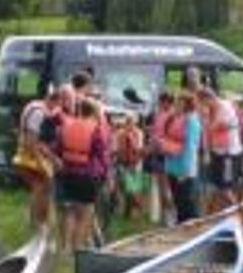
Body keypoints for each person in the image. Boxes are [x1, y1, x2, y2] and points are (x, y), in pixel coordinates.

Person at [55, 98, 108, 252]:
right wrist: (105, 173)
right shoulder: (95, 129)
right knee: (86, 212)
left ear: (79, 110)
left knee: (70, 210)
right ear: (92, 112)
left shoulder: (66, 126)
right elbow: (101, 154)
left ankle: (65, 248)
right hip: (87, 176)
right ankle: (77, 248)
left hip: (67, 174)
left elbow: (58, 149)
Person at [14, 87, 61, 228]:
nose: (55, 110)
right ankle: (38, 223)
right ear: (53, 100)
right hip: (30, 157)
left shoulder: (34, 105)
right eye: (57, 105)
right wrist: (42, 162)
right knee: (42, 188)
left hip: (26, 154)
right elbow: (31, 140)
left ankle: (33, 221)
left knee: (38, 189)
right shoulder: (38, 113)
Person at [199, 86, 243, 216]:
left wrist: (205, 117)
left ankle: (239, 215)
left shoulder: (225, 108)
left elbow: (216, 126)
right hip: (217, 152)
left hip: (229, 153)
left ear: (209, 99)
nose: (201, 106)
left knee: (225, 188)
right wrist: (207, 152)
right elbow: (206, 133)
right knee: (217, 186)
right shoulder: (208, 111)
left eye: (202, 102)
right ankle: (216, 216)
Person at [163, 91, 203, 224]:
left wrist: (186, 171)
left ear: (188, 105)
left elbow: (191, 146)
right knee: (179, 201)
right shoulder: (177, 118)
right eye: (177, 102)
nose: (177, 104)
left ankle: (194, 230)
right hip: (173, 165)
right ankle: (181, 227)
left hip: (184, 167)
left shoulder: (191, 120)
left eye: (181, 102)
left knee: (187, 202)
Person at [146, 91, 175, 224]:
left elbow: (165, 136)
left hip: (166, 154)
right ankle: (165, 216)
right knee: (161, 187)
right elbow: (154, 134)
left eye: (161, 102)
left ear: (167, 102)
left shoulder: (172, 116)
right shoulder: (159, 115)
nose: (159, 104)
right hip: (157, 153)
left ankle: (170, 216)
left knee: (167, 187)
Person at [114, 112, 148, 221]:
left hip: (135, 163)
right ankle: (130, 209)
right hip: (123, 163)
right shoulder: (119, 133)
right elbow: (116, 148)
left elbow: (139, 148)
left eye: (131, 121)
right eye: (127, 121)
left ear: (135, 122)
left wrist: (136, 162)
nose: (129, 123)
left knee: (134, 188)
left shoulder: (139, 133)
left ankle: (135, 210)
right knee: (125, 188)